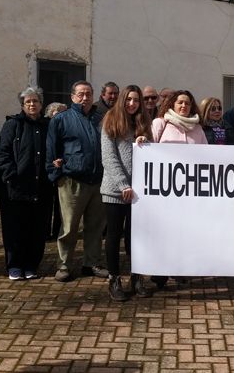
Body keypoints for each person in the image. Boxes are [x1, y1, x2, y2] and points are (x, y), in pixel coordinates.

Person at [46, 81, 108, 282]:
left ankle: (92, 263)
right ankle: (64, 265)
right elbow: (51, 150)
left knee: (95, 226)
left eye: (88, 94)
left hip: (98, 181)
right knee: (69, 227)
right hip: (72, 180)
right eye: (81, 94)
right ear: (72, 96)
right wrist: (57, 175)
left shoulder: (101, 119)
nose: (85, 98)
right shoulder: (61, 119)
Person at [100, 85, 153, 301]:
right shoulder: (110, 121)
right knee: (113, 236)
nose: (132, 104)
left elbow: (151, 154)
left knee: (135, 237)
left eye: (136, 100)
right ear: (122, 100)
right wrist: (123, 185)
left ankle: (136, 276)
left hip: (138, 193)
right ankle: (114, 278)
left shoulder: (142, 122)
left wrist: (144, 142)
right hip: (115, 191)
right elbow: (109, 157)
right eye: (129, 100)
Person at [150, 90, 207, 290]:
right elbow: (150, 151)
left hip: (189, 191)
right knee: (164, 231)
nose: (184, 106)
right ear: (172, 104)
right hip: (164, 191)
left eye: (187, 103)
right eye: (180, 103)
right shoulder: (160, 123)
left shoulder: (198, 129)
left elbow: (206, 157)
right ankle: (160, 271)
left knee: (184, 231)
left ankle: (180, 268)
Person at [0, 87, 52, 280]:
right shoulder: (13, 124)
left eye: (35, 101)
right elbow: (1, 152)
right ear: (22, 105)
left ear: (41, 104)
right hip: (15, 188)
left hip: (41, 187)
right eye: (28, 102)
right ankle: (14, 265)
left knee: (37, 229)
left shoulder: (48, 126)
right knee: (14, 229)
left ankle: (31, 265)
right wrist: (11, 174)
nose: (32, 104)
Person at [44, 102, 67, 241]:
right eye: (58, 113)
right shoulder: (45, 126)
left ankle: (57, 230)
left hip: (62, 169)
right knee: (47, 205)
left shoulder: (66, 129)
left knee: (60, 205)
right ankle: (46, 231)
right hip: (47, 170)